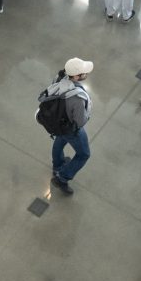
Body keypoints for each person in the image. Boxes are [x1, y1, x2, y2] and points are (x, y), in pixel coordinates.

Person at [47, 57, 94, 196]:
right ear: (76, 76)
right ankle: (62, 177)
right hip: (71, 129)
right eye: (84, 72)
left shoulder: (60, 77)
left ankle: (57, 165)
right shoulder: (77, 98)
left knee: (60, 141)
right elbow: (80, 122)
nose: (86, 74)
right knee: (84, 154)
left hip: (58, 122)